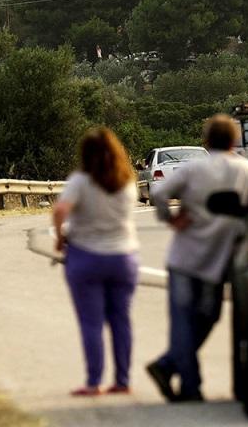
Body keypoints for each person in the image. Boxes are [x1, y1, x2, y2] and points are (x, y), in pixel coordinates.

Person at [146, 114, 248, 403]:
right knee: (208, 317)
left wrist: (169, 219)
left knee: (183, 321)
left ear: (206, 141)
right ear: (235, 140)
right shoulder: (247, 171)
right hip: (218, 260)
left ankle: (173, 370)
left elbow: (158, 192)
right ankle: (186, 384)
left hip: (184, 258)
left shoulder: (195, 169)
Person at [53, 128, 140, 397]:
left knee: (91, 323)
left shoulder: (81, 181)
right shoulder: (127, 182)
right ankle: (123, 380)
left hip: (86, 256)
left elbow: (60, 210)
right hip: (123, 257)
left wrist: (60, 237)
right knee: (121, 320)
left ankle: (94, 382)